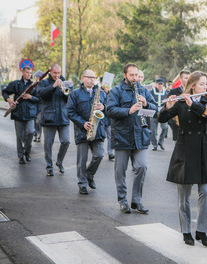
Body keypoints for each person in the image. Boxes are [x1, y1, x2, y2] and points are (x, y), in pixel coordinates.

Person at [157, 71, 207, 247]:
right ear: (192, 86)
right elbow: (162, 118)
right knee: (183, 196)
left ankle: (201, 230)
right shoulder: (181, 102)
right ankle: (186, 231)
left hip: (203, 151)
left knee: (205, 192)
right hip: (184, 151)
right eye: (201, 84)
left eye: (206, 84)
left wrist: (195, 105)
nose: (204, 87)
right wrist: (167, 107)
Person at [106, 63, 157, 214]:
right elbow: (110, 110)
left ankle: (137, 200)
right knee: (120, 171)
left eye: (136, 75)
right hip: (122, 136)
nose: (135, 78)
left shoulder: (142, 89)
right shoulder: (116, 91)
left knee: (141, 166)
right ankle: (122, 200)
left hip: (140, 135)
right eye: (131, 75)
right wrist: (128, 110)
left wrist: (146, 103)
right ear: (125, 75)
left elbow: (155, 108)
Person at [66, 70, 107, 195]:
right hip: (82, 130)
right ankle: (82, 184)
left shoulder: (101, 93)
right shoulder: (75, 94)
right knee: (82, 160)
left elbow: (109, 108)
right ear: (83, 78)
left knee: (99, 155)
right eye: (89, 77)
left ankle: (90, 174)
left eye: (94, 77)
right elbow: (70, 112)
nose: (92, 80)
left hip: (97, 129)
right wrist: (82, 123)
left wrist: (103, 107)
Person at [37, 64, 72, 176]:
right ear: (50, 72)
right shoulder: (43, 82)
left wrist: (63, 91)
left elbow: (70, 99)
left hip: (63, 117)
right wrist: (53, 86)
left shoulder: (66, 82)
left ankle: (59, 162)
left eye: (59, 73)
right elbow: (41, 95)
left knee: (66, 141)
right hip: (49, 117)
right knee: (48, 144)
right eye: (55, 73)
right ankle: (49, 166)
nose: (57, 75)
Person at [2, 66, 39, 164]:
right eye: (27, 72)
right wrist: (9, 100)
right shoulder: (16, 84)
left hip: (30, 113)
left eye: (30, 73)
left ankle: (27, 151)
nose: (29, 74)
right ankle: (21, 156)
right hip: (18, 113)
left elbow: (39, 99)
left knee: (31, 132)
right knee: (19, 136)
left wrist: (30, 97)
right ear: (22, 72)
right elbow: (5, 92)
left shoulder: (34, 85)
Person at [167, 69, 191, 141]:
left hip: (189, 121)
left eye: (189, 78)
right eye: (186, 78)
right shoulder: (173, 91)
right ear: (180, 79)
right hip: (177, 122)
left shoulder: (192, 91)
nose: (188, 80)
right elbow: (169, 108)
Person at [150, 79, 168, 151]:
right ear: (156, 84)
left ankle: (161, 141)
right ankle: (154, 144)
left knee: (165, 127)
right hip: (154, 113)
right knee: (153, 130)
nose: (160, 86)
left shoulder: (165, 93)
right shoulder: (151, 92)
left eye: (161, 84)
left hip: (163, 113)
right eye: (159, 84)